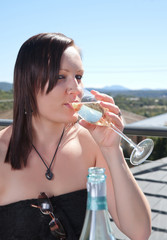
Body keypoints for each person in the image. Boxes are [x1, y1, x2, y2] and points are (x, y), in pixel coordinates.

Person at [0, 33, 151, 240]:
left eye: (78, 77)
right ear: (29, 82)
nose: (76, 89)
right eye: (61, 76)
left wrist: (112, 150)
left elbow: (139, 232)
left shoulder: (91, 143)